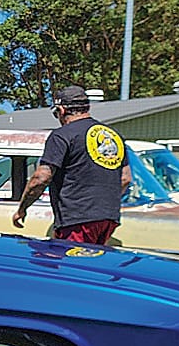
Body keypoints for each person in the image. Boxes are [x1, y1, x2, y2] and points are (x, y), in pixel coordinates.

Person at [12, 85, 130, 244]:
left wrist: (22, 209)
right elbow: (125, 178)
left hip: (76, 220)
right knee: (94, 259)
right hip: (108, 218)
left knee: (69, 259)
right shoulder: (113, 135)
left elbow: (41, 178)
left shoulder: (62, 135)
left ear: (61, 110)